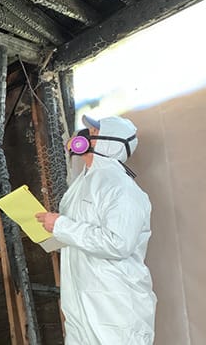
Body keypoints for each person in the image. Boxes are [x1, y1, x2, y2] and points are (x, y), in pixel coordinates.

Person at [35, 115, 157, 344]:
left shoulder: (120, 187)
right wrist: (51, 231)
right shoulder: (81, 185)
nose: (82, 134)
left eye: (91, 133)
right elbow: (78, 236)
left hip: (114, 307)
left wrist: (62, 225)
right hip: (80, 302)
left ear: (109, 142)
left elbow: (118, 243)